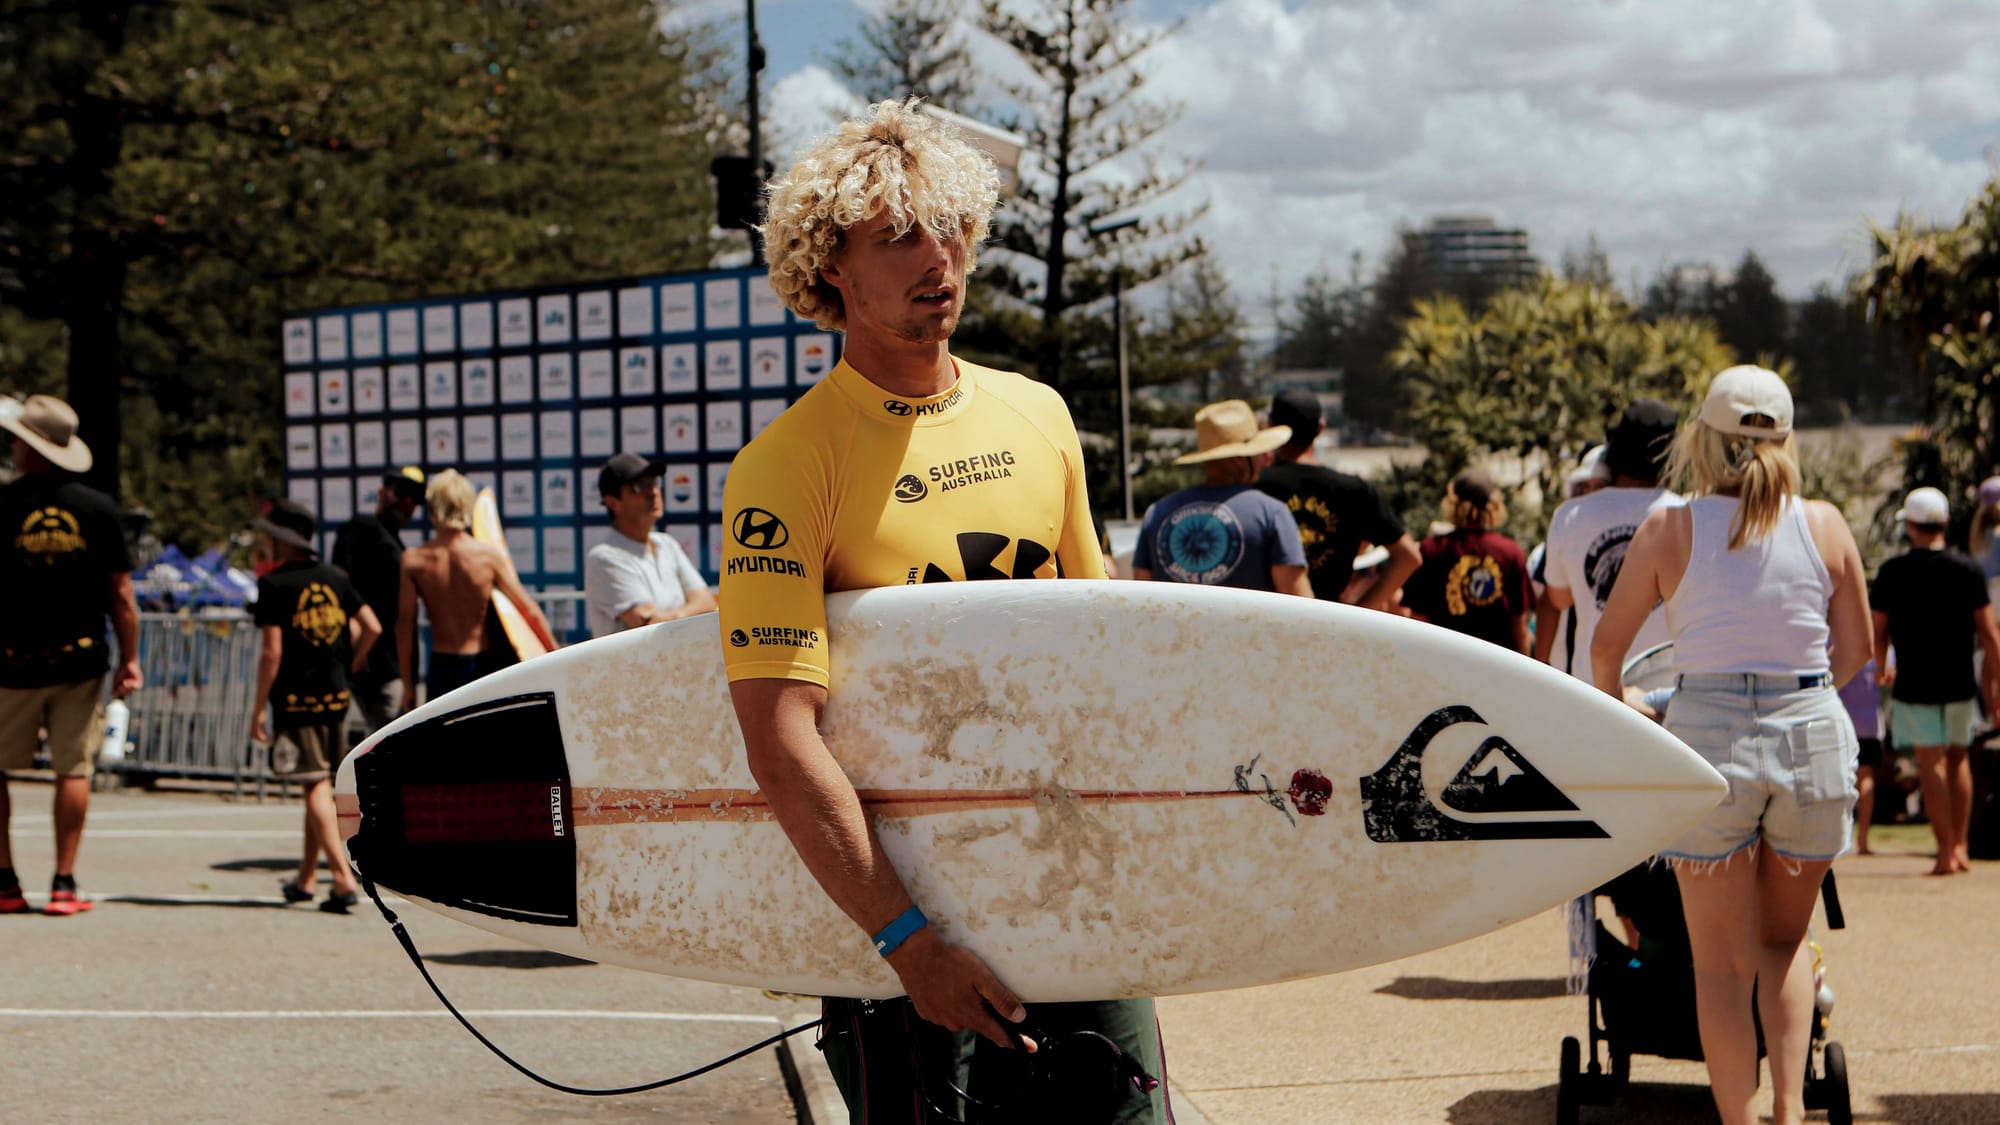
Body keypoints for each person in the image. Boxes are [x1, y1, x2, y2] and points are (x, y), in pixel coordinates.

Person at [719, 100, 1172, 1123]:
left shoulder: (1039, 416)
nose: (939, 258)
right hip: (910, 935)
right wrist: (908, 945)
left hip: (1078, 896)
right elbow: (781, 741)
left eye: (950, 228)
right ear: (829, 263)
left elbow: (1094, 662)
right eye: (896, 237)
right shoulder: (785, 468)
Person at [1591, 365, 1870, 1125]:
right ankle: (1788, 1109)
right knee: (1785, 942)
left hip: (1707, 734)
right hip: (1810, 731)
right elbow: (1855, 653)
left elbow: (1607, 655)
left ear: (1704, 440)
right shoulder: (1825, 523)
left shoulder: (1670, 526)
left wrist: (1641, 711)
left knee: (1718, 964)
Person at [0, 395, 140, 916]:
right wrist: (131, 657)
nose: (13, 446)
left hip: (11, 660)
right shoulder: (98, 507)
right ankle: (63, 883)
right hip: (80, 659)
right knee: (72, 770)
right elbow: (122, 593)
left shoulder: (3, 504)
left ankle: (5, 883)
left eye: (16, 440)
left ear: (28, 448)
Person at [249, 498, 381, 913]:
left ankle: (342, 878)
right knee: (320, 781)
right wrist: (351, 664)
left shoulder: (275, 586)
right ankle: (307, 876)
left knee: (312, 786)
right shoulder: (335, 577)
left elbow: (272, 652)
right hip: (335, 695)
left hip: (295, 698)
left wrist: (256, 709)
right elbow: (371, 627)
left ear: (282, 542)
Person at [1870, 485, 2000, 876]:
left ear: (1911, 526)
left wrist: (1881, 666)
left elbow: (1879, 630)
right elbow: (1989, 634)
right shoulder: (1968, 569)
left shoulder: (1893, 571)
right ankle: (1959, 845)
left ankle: (1945, 849)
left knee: (1930, 765)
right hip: (1960, 681)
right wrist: (1995, 684)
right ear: (1944, 523)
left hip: (1915, 683)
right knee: (1960, 759)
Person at [1540, 400, 1684, 678]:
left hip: (1593, 691)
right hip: (1666, 689)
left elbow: (1558, 598)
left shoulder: (1571, 516)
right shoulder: (1686, 518)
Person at [396, 469, 551, 712]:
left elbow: (405, 625)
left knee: (449, 748)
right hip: (482, 665)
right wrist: (555, 655)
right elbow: (528, 610)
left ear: (432, 509)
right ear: (465, 506)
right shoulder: (487, 556)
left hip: (442, 667)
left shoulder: (413, 560)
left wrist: (408, 684)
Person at [1257, 388, 1418, 608]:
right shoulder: (1354, 490)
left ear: (1271, 427)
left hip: (1263, 617)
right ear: (1320, 428)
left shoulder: (1255, 486)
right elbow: (1409, 557)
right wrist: (1362, 612)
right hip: (1329, 622)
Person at [1131, 399, 1311, 595]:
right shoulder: (1272, 513)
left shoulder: (1157, 513)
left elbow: (1142, 595)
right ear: (1239, 459)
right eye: (1256, 452)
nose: (1263, 461)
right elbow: (1300, 602)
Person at [332, 466, 425, 734]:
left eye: (416, 497)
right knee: (390, 750)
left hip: (393, 668)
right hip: (376, 667)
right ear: (383, 492)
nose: (408, 502)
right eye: (403, 492)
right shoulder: (362, 528)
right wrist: (358, 633)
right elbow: (340, 583)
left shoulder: (398, 546)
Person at [583, 453, 716, 638]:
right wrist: (690, 614)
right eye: (639, 487)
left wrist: (671, 617)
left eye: (654, 482)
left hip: (676, 663)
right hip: (630, 667)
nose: (653, 492)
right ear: (612, 502)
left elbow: (708, 603)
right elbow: (650, 625)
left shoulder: (666, 543)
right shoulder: (604, 557)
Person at [1404, 468, 1533, 653]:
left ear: (1451, 504)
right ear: (1494, 505)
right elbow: (1519, 623)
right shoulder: (1510, 553)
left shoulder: (1431, 550)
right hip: (1497, 665)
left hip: (1445, 660)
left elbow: (1418, 619)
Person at [1530, 443, 1612, 672]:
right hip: (1568, 667)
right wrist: (1540, 665)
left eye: (1600, 486)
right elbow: (1549, 602)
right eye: (1584, 486)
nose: (1590, 493)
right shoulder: (1567, 529)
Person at [1840, 658, 1885, 855]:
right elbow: (1886, 675)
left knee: (1839, 781)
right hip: (1869, 724)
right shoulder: (1878, 649)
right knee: (1865, 778)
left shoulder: (1831, 639)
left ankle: (1840, 837)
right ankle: (1863, 838)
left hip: (1841, 722)